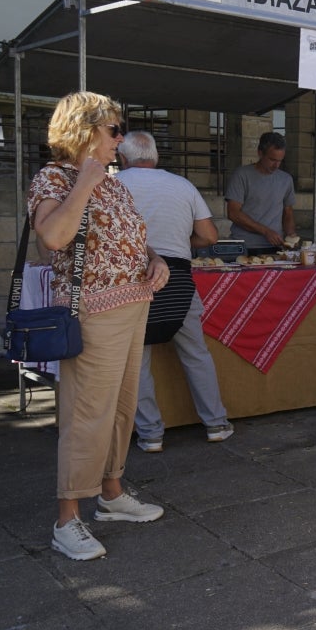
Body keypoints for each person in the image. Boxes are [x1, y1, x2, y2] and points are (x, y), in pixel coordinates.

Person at [29, 93, 170, 561]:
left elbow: (134, 237)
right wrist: (85, 183)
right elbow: (53, 237)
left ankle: (111, 493)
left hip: (133, 305)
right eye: (113, 130)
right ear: (85, 130)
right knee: (86, 415)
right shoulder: (55, 177)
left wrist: (156, 260)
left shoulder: (114, 183)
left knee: (121, 409)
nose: (120, 139)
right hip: (92, 311)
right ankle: (67, 518)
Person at [115, 131, 232, 452]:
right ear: (156, 157)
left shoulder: (113, 185)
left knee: (137, 362)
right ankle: (216, 424)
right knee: (196, 354)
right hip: (179, 279)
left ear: (122, 158)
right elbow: (209, 236)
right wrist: (180, 243)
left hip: (130, 281)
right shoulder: (182, 185)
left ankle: (151, 434)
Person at [226, 131, 296, 254]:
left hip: (276, 247)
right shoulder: (242, 175)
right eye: (272, 159)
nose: (276, 165)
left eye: (280, 160)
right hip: (244, 246)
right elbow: (233, 213)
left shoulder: (286, 179)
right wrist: (265, 231)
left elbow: (288, 212)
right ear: (260, 153)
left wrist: (290, 235)